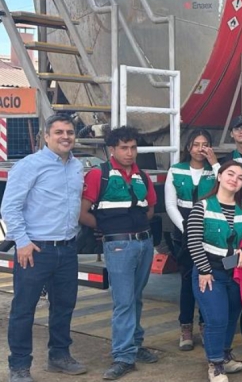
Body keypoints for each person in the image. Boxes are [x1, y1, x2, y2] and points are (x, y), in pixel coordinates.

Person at [2, 114, 87, 382]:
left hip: (67, 248)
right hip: (35, 250)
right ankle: (19, 366)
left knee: (64, 306)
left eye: (70, 132)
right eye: (59, 132)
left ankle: (59, 356)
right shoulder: (30, 165)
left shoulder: (77, 167)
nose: (66, 137)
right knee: (24, 309)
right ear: (46, 136)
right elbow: (10, 207)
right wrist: (22, 242)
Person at [79, 126, 159, 380]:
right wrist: (109, 229)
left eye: (133, 147)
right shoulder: (98, 175)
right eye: (124, 147)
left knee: (135, 297)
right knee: (124, 301)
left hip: (144, 243)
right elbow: (81, 213)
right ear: (112, 149)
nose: (129, 153)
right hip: (119, 245)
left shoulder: (142, 176)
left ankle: (135, 344)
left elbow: (149, 209)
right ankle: (123, 355)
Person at [186, 161, 242, 382]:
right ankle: (215, 364)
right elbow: (194, 241)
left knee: (231, 316)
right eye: (230, 174)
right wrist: (205, 271)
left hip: (235, 273)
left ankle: (224, 355)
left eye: (240, 177)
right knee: (216, 318)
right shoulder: (203, 206)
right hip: (210, 273)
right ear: (220, 176)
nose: (234, 179)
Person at [164, 128, 220, 351]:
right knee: (188, 280)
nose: (200, 149)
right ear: (188, 148)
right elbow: (170, 204)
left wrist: (215, 163)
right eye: (196, 144)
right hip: (184, 228)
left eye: (205, 144)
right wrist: (187, 228)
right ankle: (185, 326)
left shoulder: (214, 170)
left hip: (211, 228)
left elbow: (229, 186)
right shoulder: (176, 170)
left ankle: (205, 324)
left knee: (209, 280)